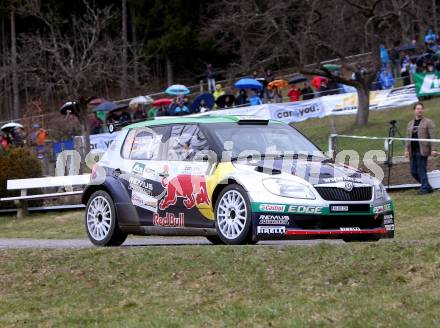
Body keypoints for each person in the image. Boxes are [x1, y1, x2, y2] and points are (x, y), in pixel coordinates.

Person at [405, 102, 438, 194]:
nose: (419, 110)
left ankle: (424, 189)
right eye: (417, 109)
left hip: (423, 150)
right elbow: (407, 138)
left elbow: (433, 137)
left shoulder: (428, 122)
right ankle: (427, 186)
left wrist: (434, 149)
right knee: (413, 171)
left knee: (421, 169)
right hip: (412, 151)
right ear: (414, 110)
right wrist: (406, 150)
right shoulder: (410, 124)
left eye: (421, 109)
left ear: (423, 110)